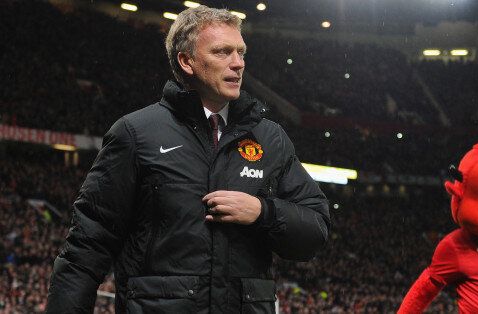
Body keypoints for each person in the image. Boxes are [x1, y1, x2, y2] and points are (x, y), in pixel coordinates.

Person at [46, 6, 330, 313]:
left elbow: (314, 232)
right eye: (222, 52)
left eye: (241, 52)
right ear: (187, 61)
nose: (238, 64)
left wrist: (264, 212)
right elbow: (86, 248)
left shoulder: (270, 138)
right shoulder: (137, 134)